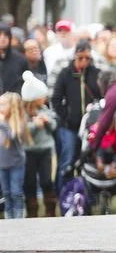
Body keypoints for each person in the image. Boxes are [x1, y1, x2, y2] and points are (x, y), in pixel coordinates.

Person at [51, 40, 101, 188]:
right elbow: (56, 98)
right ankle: (62, 193)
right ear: (75, 57)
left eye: (87, 58)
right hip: (70, 126)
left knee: (87, 160)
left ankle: (87, 196)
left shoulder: (95, 73)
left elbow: (102, 95)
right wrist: (66, 116)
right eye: (81, 58)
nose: (84, 61)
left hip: (90, 127)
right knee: (68, 159)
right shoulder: (65, 73)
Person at [21, 72, 57, 217]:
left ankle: (50, 210)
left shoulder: (45, 110)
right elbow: (22, 132)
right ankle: (32, 211)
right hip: (29, 151)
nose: (45, 98)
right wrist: (34, 125)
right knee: (29, 183)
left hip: (45, 151)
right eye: (42, 96)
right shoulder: (22, 114)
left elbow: (54, 126)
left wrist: (47, 122)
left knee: (47, 181)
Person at [0, 92, 28, 218]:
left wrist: (2, 123)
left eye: (3, 104)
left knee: (16, 193)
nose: (0, 107)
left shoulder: (19, 122)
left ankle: (18, 219)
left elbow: (13, 136)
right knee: (6, 193)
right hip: (2, 164)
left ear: (12, 107)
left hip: (16, 164)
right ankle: (8, 219)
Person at [0, 24, 28, 95]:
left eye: (6, 35)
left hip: (14, 103)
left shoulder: (20, 60)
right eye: (0, 35)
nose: (2, 38)